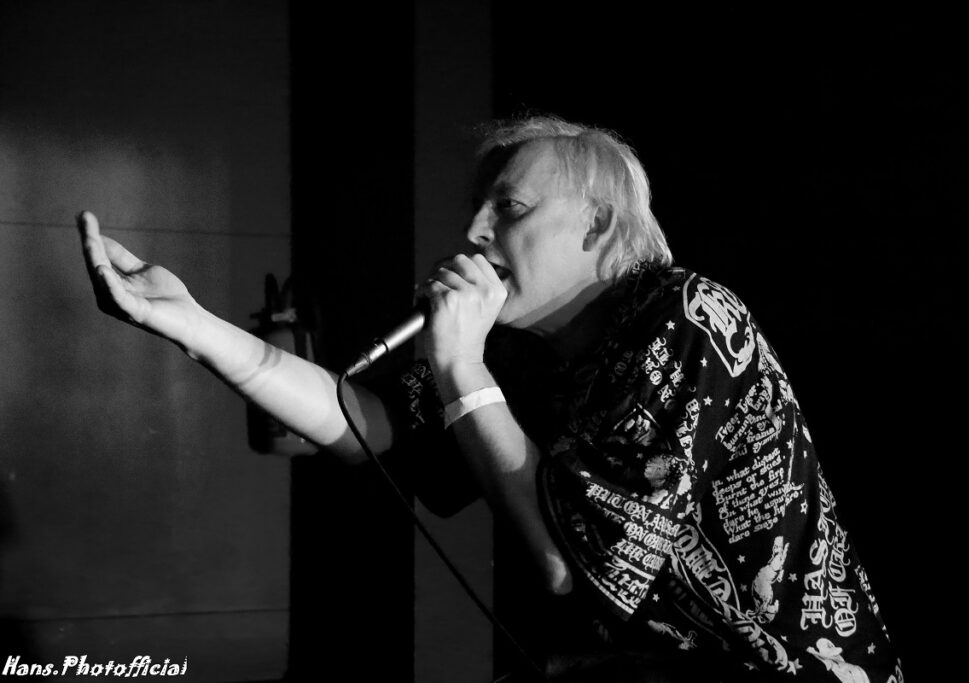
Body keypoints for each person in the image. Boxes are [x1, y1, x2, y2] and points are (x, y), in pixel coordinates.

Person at [78, 116, 902, 682]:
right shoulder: (520, 350)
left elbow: (566, 564)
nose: (474, 231)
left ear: (597, 226)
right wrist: (191, 325)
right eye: (478, 209)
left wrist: (458, 363)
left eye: (507, 208)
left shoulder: (685, 317)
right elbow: (364, 423)